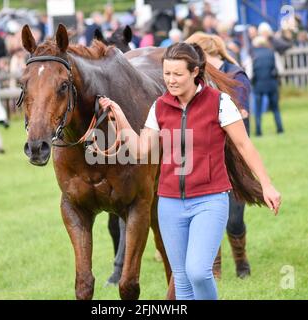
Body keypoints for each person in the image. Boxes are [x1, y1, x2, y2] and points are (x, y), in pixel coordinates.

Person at [98, 43, 281, 300]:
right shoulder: (159, 107)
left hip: (210, 200)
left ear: (195, 72)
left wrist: (266, 184)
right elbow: (140, 150)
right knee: (181, 279)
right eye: (167, 74)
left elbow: (243, 145)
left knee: (197, 272)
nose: (170, 80)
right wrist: (120, 117)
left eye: (177, 74)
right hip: (170, 204)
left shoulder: (220, 103)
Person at [185, 32, 252, 279]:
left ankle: (242, 262)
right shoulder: (195, 80)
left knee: (234, 219)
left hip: (233, 157)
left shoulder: (235, 75)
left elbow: (241, 112)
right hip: (203, 157)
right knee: (207, 217)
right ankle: (215, 271)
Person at [251, 36, 284, 136]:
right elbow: (280, 69)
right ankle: (280, 129)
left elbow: (249, 73)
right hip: (272, 83)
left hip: (258, 84)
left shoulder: (252, 55)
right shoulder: (272, 53)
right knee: (275, 108)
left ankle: (258, 131)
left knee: (258, 109)